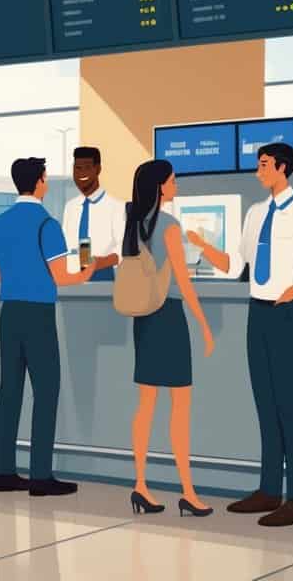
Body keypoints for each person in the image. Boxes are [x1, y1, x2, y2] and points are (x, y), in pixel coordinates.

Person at [188, 142, 293, 527]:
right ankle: (269, 489)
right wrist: (203, 247)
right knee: (264, 402)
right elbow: (237, 263)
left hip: (288, 312)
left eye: (263, 165)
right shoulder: (255, 213)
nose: (258, 172)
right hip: (258, 311)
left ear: (282, 167)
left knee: (287, 405)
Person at [0, 157, 95, 497]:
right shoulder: (47, 224)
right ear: (40, 182)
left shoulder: (0, 222)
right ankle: (40, 475)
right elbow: (62, 277)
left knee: (9, 390)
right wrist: (88, 270)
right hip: (38, 315)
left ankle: (4, 471)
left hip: (8, 313)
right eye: (45, 177)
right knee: (46, 391)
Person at [123, 161, 215, 518]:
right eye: (173, 180)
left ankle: (141, 485)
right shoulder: (170, 226)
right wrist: (204, 325)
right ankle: (188, 492)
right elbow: (184, 283)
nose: (177, 184)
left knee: (145, 404)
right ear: (160, 186)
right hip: (169, 318)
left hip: (144, 319)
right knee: (180, 407)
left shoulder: (135, 225)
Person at [62, 147, 126, 281]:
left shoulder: (116, 207)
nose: (81, 173)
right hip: (72, 278)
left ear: (98, 169)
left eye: (86, 167)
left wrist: (99, 263)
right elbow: (66, 245)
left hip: (103, 277)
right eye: (77, 168)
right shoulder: (70, 207)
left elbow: (123, 249)